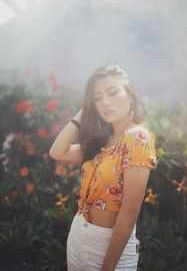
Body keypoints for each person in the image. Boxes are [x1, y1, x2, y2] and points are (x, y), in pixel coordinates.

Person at [49, 64, 157, 271]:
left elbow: (130, 211)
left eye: (113, 92)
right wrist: (84, 111)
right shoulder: (101, 140)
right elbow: (57, 152)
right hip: (79, 232)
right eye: (97, 98)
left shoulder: (137, 138)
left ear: (130, 94)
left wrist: (108, 267)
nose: (105, 102)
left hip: (108, 246)